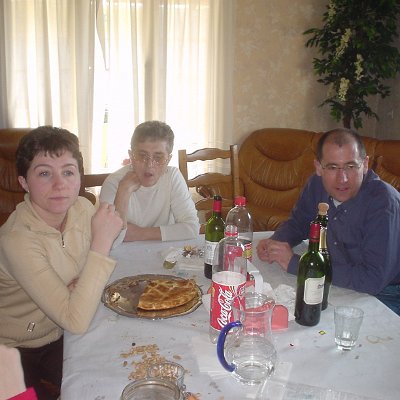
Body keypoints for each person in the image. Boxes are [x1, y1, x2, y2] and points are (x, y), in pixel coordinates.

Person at [0, 126, 123, 400]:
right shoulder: (16, 239)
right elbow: (75, 319)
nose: (60, 184)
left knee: (115, 380)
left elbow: (90, 280)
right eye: (44, 173)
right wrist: (101, 243)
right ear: (23, 182)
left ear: (79, 177)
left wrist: (77, 289)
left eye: (68, 172)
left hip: (61, 336)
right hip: (12, 348)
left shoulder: (82, 208)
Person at [256, 128, 400, 315]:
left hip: (386, 293)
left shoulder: (383, 203)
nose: (342, 179)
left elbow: (372, 279)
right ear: (318, 167)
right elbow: (299, 223)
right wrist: (277, 242)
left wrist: (298, 264)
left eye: (351, 166)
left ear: (365, 164)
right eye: (332, 167)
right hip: (339, 278)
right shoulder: (316, 184)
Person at [99, 120, 200, 246]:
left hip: (163, 252)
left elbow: (192, 227)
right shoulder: (114, 183)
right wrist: (123, 191)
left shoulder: (172, 177)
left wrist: (139, 233)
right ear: (131, 156)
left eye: (158, 157)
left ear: (168, 159)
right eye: (142, 156)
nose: (149, 165)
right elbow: (107, 240)